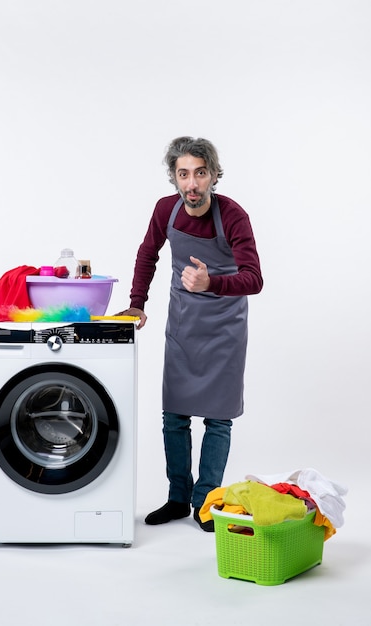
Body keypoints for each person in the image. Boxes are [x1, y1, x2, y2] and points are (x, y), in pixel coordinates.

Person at [120, 136, 263, 531]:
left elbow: (254, 279)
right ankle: (178, 498)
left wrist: (211, 283)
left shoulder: (233, 215)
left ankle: (206, 503)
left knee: (218, 420)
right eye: (184, 174)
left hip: (224, 332)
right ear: (174, 178)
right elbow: (147, 252)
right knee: (174, 416)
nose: (192, 184)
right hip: (183, 327)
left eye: (201, 173)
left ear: (214, 176)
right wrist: (137, 302)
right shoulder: (165, 210)